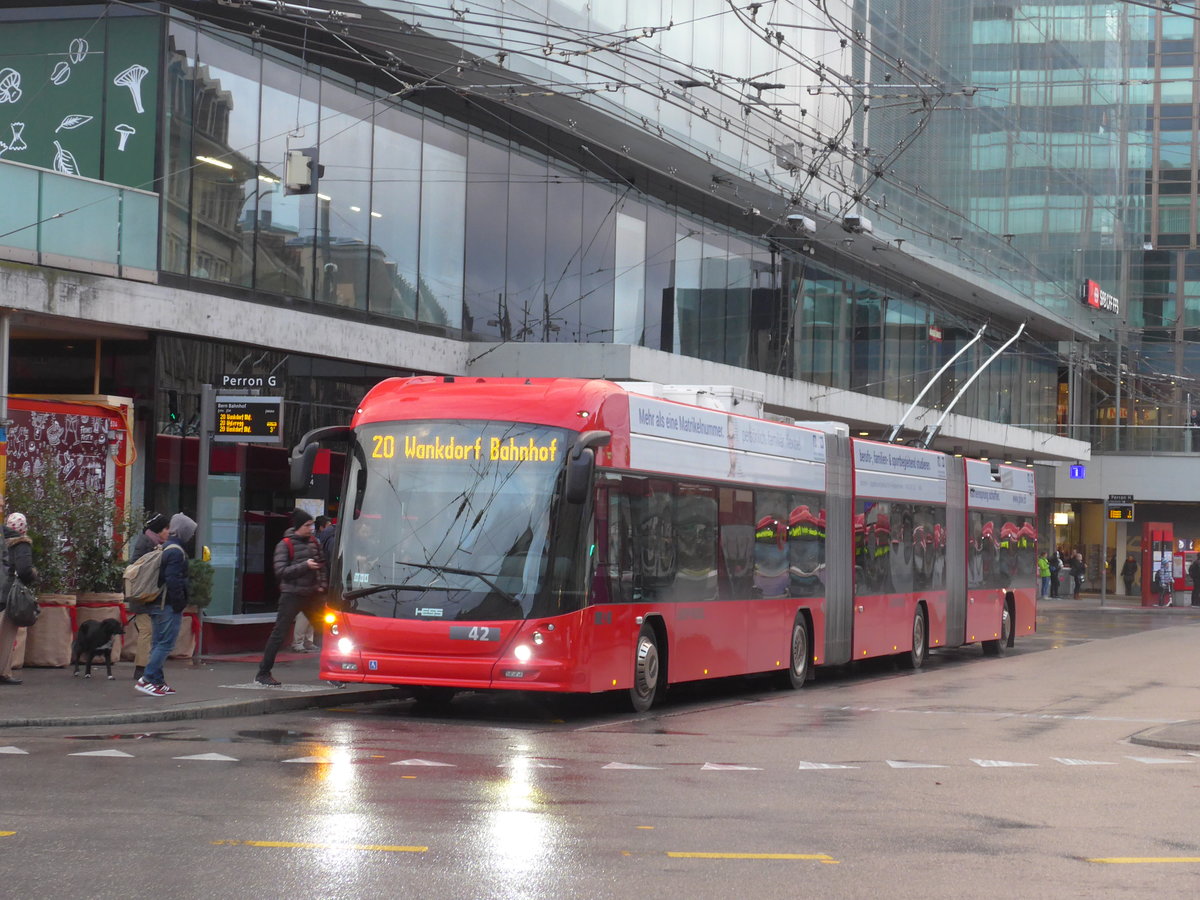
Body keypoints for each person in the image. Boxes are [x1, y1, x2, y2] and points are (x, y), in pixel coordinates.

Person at [257, 509, 326, 686]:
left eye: (311, 525)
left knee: (326, 633)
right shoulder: (285, 544)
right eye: (307, 525)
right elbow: (281, 572)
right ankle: (263, 673)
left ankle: (333, 672)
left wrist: (322, 586)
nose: (311, 528)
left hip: (311, 594)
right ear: (298, 527)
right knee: (279, 634)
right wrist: (305, 566)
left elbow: (322, 565)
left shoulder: (314, 543)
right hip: (292, 595)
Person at [136, 513, 195, 697]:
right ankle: (147, 679)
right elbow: (173, 580)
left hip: (156, 603)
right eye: (190, 532)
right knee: (166, 644)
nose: (192, 536)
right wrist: (179, 603)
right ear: (183, 531)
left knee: (157, 643)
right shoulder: (176, 551)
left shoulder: (166, 547)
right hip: (166, 605)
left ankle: (157, 681)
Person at [128, 512, 170, 680]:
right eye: (166, 528)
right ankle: (141, 669)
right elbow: (137, 570)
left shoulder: (155, 543)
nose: (169, 532)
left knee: (149, 632)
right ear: (159, 529)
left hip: (148, 597)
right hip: (142, 597)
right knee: (147, 631)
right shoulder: (146, 544)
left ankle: (145, 667)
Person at [0, 512, 38, 685]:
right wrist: (34, 575)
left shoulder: (2, 538)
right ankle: (3, 672)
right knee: (7, 635)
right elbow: (24, 571)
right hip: (9, 594)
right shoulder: (21, 543)